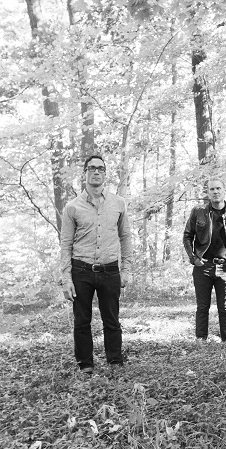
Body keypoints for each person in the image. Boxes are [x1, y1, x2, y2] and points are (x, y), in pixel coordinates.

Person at [61, 153, 133, 375]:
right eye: (91, 168)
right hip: (81, 269)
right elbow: (65, 244)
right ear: (85, 173)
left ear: (105, 174)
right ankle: (86, 366)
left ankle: (115, 363)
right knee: (82, 321)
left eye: (100, 168)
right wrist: (66, 278)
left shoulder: (119, 203)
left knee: (112, 319)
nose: (96, 172)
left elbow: (126, 236)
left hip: (110, 269)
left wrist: (126, 269)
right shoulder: (72, 207)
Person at [182, 178, 226, 342]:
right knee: (202, 307)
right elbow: (187, 236)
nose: (215, 192)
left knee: (225, 308)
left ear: (225, 191)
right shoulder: (198, 212)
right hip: (202, 266)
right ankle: (200, 340)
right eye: (211, 189)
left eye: (218, 188)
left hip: (225, 268)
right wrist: (193, 258)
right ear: (207, 192)